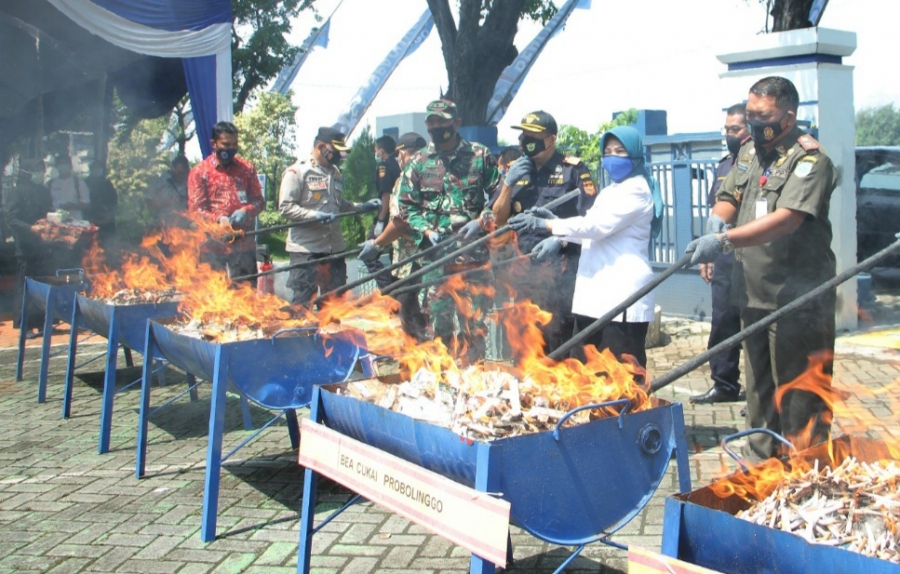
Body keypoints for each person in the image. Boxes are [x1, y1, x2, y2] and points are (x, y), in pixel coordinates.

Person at [685, 76, 837, 462]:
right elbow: (728, 196)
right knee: (760, 394)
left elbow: (787, 219)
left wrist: (725, 241)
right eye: (749, 114)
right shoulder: (751, 151)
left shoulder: (810, 160)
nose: (753, 123)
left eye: (763, 116)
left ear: (788, 116)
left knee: (800, 397)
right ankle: (763, 466)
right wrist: (716, 222)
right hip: (752, 292)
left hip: (796, 299)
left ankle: (808, 474)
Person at [509, 125, 662, 368]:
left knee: (619, 375)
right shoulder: (613, 190)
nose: (612, 157)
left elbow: (596, 226)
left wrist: (546, 224)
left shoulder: (637, 189)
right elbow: (591, 232)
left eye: (620, 151)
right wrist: (560, 229)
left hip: (620, 296)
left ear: (634, 154)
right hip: (595, 295)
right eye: (608, 151)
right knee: (587, 373)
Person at [397, 99, 499, 359]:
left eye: (442, 121)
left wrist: (482, 220)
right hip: (436, 261)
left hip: (473, 258)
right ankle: (442, 383)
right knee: (437, 329)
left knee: (475, 327)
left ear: (456, 123)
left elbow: (499, 195)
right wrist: (426, 231)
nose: (436, 126)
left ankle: (474, 382)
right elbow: (407, 206)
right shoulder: (418, 162)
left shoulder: (480, 155)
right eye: (431, 122)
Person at [491, 111, 597, 354]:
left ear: (551, 139)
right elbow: (497, 219)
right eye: (524, 134)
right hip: (521, 272)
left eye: (534, 135)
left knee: (556, 342)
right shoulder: (516, 170)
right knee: (522, 343)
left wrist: (559, 240)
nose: (527, 140)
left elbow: (590, 221)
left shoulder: (573, 170)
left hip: (560, 272)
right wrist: (508, 183)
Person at [279, 127, 380, 306]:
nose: (338, 156)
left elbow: (339, 204)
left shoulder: (336, 173)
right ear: (320, 146)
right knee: (303, 304)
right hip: (306, 250)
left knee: (334, 304)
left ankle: (332, 334)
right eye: (335, 152)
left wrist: (361, 207)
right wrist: (314, 215)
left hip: (333, 249)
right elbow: (286, 207)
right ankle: (304, 334)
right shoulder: (297, 172)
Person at [690, 104, 750, 404]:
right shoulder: (724, 165)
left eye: (735, 129)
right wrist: (708, 256)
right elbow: (715, 210)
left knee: (754, 325)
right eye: (726, 129)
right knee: (723, 321)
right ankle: (724, 385)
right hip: (725, 255)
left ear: (749, 130)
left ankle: (760, 394)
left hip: (754, 254)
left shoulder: (761, 163)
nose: (729, 135)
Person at [358, 132, 429, 340]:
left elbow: (400, 222)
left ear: (402, 154)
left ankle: (422, 365)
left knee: (412, 323)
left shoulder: (407, 178)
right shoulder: (435, 177)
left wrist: (376, 243)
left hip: (411, 264)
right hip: (430, 260)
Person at [188, 121, 265, 280]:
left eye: (235, 144)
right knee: (213, 299)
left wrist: (246, 211)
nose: (231, 148)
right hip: (212, 248)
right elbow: (195, 211)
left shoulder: (247, 168)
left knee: (247, 299)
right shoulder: (200, 172)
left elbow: (259, 202)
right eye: (226, 144)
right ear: (213, 144)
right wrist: (219, 220)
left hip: (244, 246)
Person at [6, 158, 54, 337]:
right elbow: (12, 219)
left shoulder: (43, 191)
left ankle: (42, 322)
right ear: (27, 171)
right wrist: (30, 228)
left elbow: (49, 212)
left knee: (43, 283)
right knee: (25, 284)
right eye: (37, 168)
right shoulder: (16, 193)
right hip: (25, 246)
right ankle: (24, 325)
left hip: (43, 245)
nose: (41, 172)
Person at [362, 135, 402, 288]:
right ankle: (398, 288)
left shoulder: (384, 166)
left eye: (377, 150)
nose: (376, 153)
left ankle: (388, 287)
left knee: (369, 253)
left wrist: (380, 221)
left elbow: (386, 195)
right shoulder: (399, 163)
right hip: (399, 217)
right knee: (395, 255)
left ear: (382, 151)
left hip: (388, 217)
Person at [146, 155, 190, 227]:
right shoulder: (159, 182)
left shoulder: (189, 181)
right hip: (165, 226)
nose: (181, 176)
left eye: (184, 174)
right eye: (179, 173)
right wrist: (164, 203)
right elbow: (148, 202)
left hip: (186, 226)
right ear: (173, 168)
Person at [48, 155, 90, 220]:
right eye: (60, 164)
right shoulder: (51, 183)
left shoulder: (79, 183)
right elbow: (48, 203)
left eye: (65, 163)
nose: (63, 166)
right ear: (56, 166)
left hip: (75, 220)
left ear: (70, 166)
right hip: (55, 221)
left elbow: (86, 203)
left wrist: (72, 206)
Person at [85, 161, 118, 246]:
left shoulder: (107, 184)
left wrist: (108, 217)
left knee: (107, 246)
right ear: (90, 169)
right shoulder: (84, 184)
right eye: (94, 168)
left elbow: (114, 202)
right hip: (90, 221)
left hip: (107, 222)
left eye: (98, 168)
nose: (96, 170)